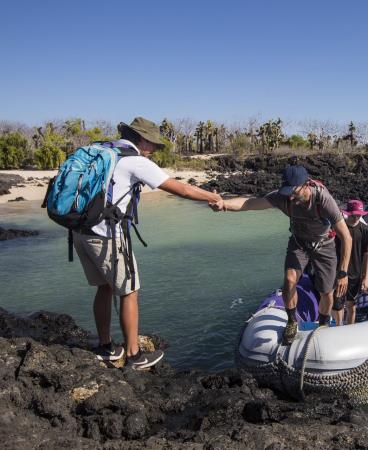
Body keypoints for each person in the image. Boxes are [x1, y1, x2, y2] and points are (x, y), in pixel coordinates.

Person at [73, 117, 222, 370]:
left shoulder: (102, 150)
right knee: (129, 291)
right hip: (108, 236)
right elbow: (180, 189)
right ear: (141, 139)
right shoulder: (135, 161)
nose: (153, 149)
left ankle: (106, 346)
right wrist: (214, 197)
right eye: (152, 143)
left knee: (104, 288)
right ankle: (134, 355)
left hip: (80, 231)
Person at [211, 163, 352, 345]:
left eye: (294, 192)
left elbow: (346, 237)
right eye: (287, 192)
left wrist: (343, 273)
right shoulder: (283, 197)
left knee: (326, 292)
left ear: (306, 184)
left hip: (324, 245)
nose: (290, 197)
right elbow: (250, 203)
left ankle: (323, 323)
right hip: (299, 242)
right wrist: (224, 204)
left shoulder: (323, 199)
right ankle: (292, 321)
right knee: (290, 280)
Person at [333, 200, 368, 326]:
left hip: (355, 274)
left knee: (351, 304)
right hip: (338, 273)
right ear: (347, 213)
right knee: (338, 304)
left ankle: (350, 328)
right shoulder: (338, 229)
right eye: (353, 215)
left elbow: (367, 254)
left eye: (359, 215)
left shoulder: (366, 231)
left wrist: (366, 277)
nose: (356, 217)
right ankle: (338, 328)